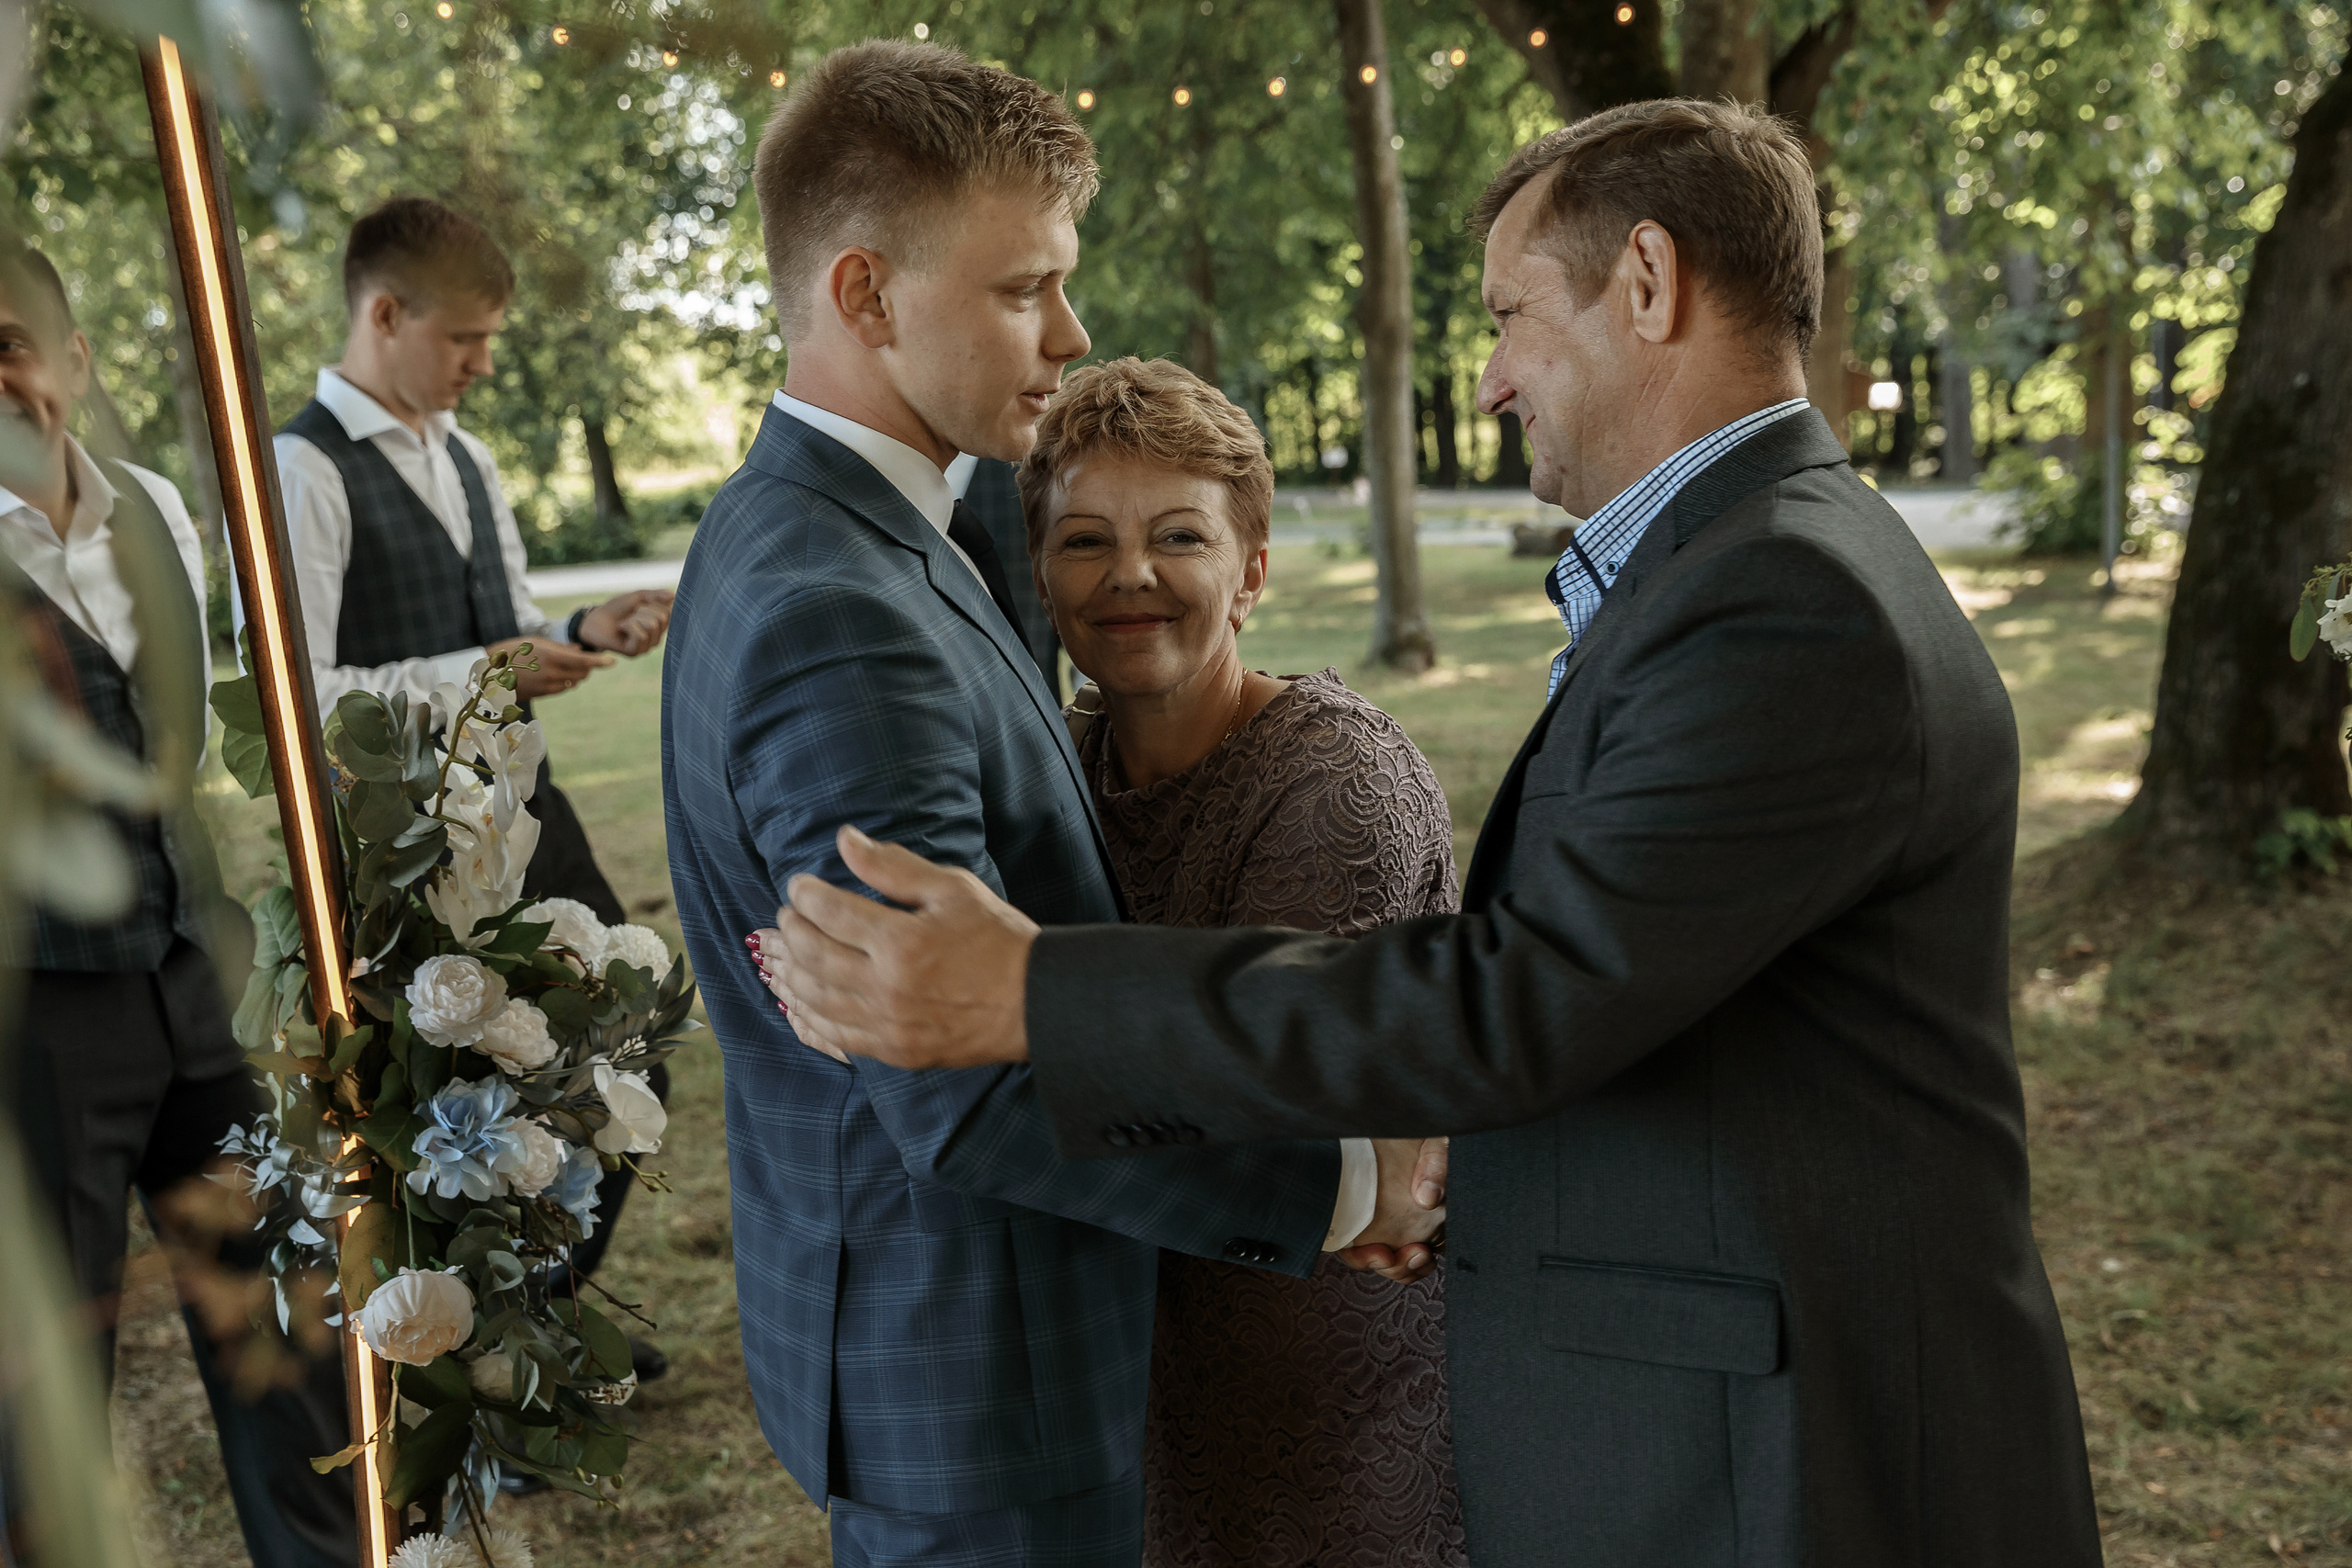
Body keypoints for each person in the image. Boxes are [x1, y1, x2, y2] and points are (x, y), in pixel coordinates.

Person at [763, 99, 2106, 1567]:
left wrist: (1022, 989)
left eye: (1514, 316)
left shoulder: (1785, 595)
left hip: (1804, 1450)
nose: (1493, 376)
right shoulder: (1757, 559)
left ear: (1647, 283)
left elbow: (1523, 992)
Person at [661, 42, 1441, 1568]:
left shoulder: (872, 529)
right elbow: (960, 1081)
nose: (1069, 333)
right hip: (972, 1378)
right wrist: (1347, 1182)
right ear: (868, 293)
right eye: (1025, 288)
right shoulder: (837, 607)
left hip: (973, 1342)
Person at [1023, 357, 1466, 1564]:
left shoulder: (1337, 782)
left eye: (1179, 535)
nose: (1131, 574)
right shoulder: (1059, 769)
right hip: (1144, 1356)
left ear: (1253, 569)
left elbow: (1251, 1105)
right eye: (1084, 541)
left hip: (1333, 1371)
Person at [0, 237, 357, 1567]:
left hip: (197, 981)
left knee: (284, 1323)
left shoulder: (153, 503)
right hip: (36, 1019)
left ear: (75, 360)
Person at [271, 197, 671, 1379]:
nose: (484, 364)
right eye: (464, 339)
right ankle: (474, 1350)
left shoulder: (467, 454)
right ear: (382, 313)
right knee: (456, 1115)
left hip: (530, 818)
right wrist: (481, 672)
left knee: (624, 1054)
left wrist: (582, 626)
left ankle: (529, 1315)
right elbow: (307, 696)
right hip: (406, 858)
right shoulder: (301, 470)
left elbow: (502, 627)